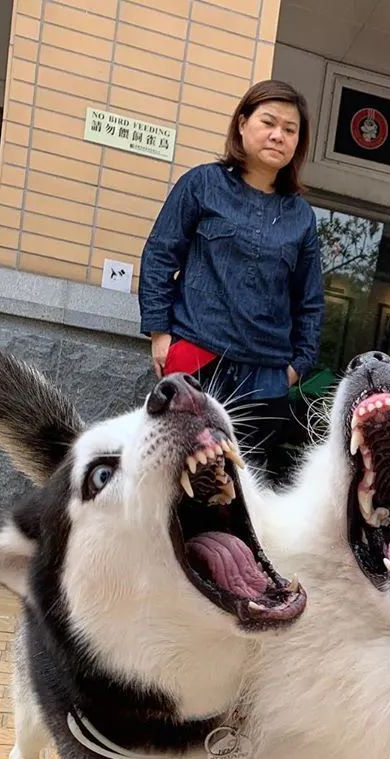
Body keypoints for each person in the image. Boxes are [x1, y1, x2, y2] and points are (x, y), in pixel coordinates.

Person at [139, 80, 324, 486]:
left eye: (290, 130)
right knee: (167, 478)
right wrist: (159, 333)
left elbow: (309, 304)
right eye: (269, 122)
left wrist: (295, 369)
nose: (279, 135)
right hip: (195, 360)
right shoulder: (202, 185)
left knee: (241, 490)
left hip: (265, 379)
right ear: (242, 124)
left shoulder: (301, 217)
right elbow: (159, 255)